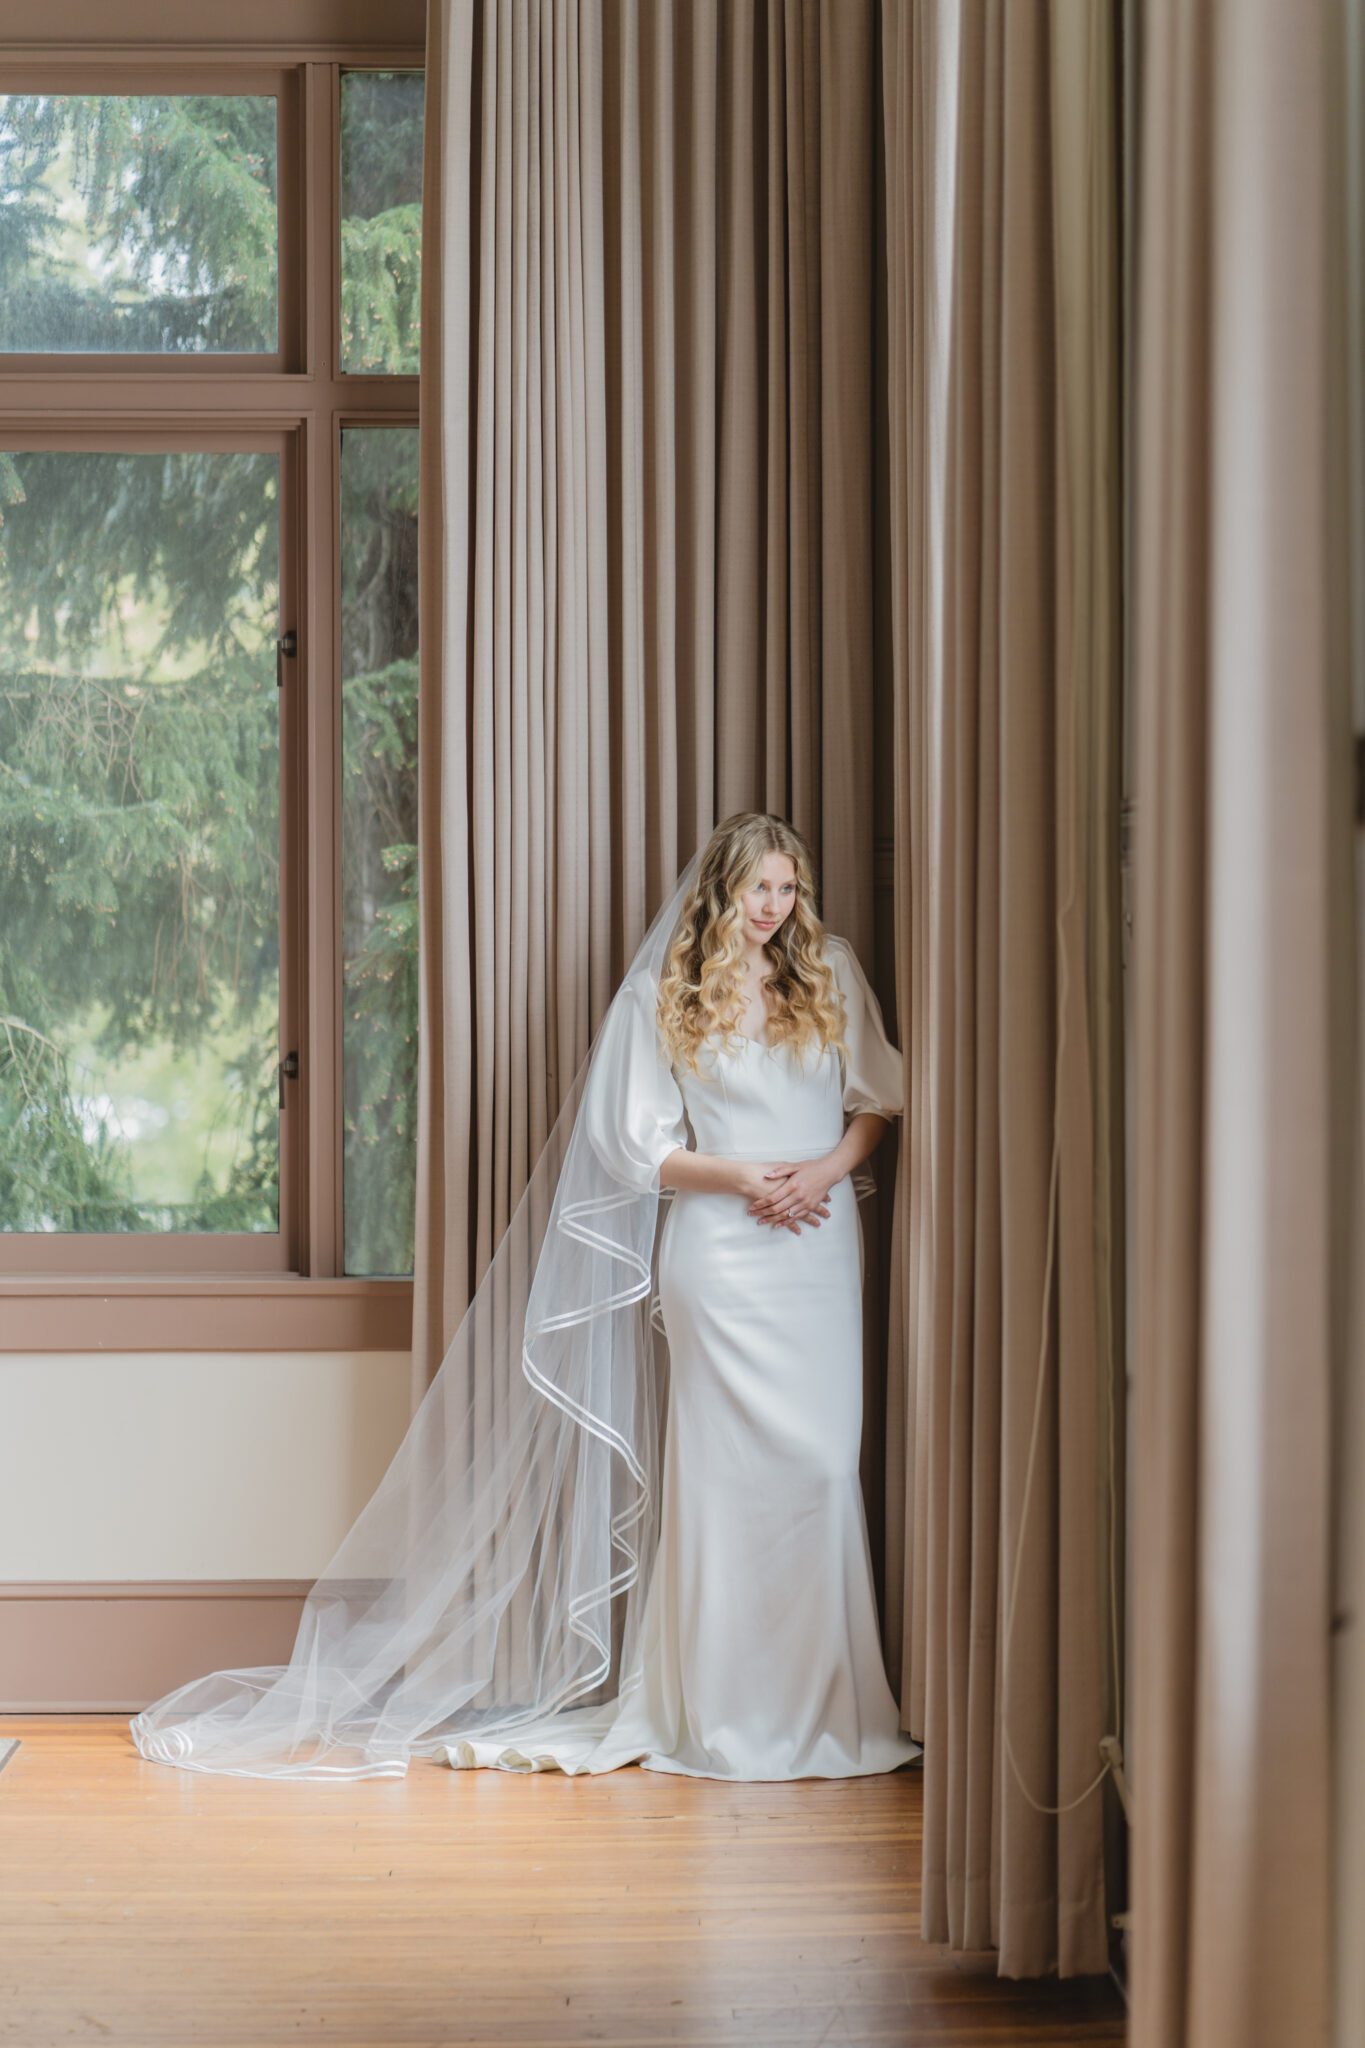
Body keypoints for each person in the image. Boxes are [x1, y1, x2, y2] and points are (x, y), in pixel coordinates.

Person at [131, 813, 918, 1782]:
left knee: (823, 1469)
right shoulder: (665, 990)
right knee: (724, 1487)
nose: (773, 906)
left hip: (815, 1255)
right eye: (758, 887)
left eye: (787, 888)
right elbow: (635, 1146)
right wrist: (747, 1179)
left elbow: (876, 1099)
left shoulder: (828, 969)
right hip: (722, 1259)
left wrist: (824, 1174)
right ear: (721, 889)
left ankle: (830, 1709)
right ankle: (723, 1716)